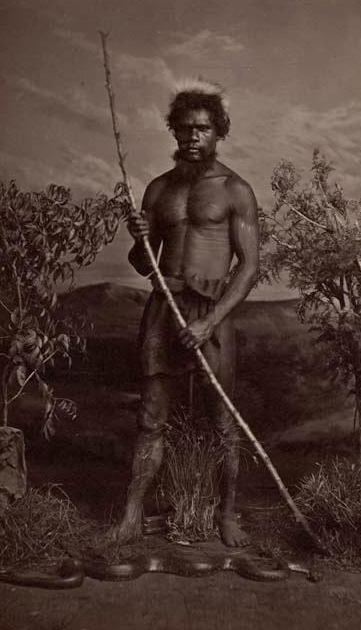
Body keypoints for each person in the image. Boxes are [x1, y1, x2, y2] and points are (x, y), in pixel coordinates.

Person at [117, 80, 259, 547]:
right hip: (165, 307)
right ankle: (132, 514)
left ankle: (227, 516)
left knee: (223, 420)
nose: (192, 137)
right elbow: (145, 265)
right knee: (150, 417)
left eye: (202, 129)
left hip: (211, 311)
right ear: (174, 133)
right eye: (184, 129)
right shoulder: (159, 190)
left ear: (219, 132)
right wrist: (139, 237)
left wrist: (210, 321)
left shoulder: (236, 190)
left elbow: (250, 266)